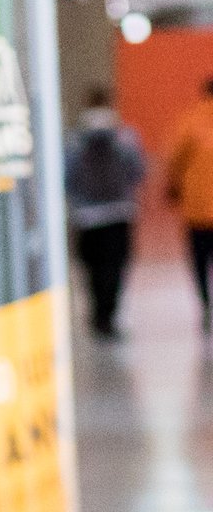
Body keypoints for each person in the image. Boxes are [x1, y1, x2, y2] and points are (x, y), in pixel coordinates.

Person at [67, 87, 148, 339]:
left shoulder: (75, 140)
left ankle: (97, 315)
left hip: (87, 216)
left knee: (92, 268)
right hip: (119, 212)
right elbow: (138, 170)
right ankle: (109, 315)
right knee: (114, 267)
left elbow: (66, 176)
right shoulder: (124, 136)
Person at [167, 74, 213, 328]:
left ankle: (206, 303)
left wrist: (174, 187)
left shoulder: (190, 121)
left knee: (200, 259)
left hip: (197, 208)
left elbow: (175, 159)